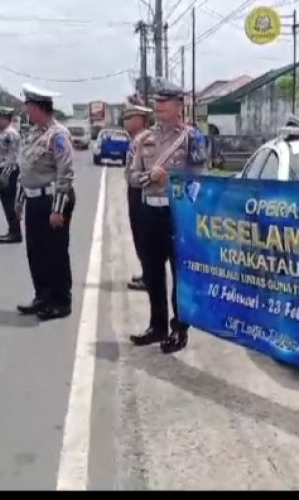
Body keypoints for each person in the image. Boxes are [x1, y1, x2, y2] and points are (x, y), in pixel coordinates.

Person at [128, 80, 207, 354]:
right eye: (157, 102)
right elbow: (131, 177)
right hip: (149, 211)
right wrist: (148, 176)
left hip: (177, 214)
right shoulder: (143, 139)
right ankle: (157, 325)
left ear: (179, 105)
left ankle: (179, 328)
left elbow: (200, 180)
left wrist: (177, 182)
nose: (159, 107)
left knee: (179, 273)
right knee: (152, 272)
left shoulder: (192, 138)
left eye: (165, 102)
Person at [15, 83, 75, 321]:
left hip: (52, 200)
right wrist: (20, 201)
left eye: (28, 105)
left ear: (38, 107)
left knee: (55, 253)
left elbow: (66, 173)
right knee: (36, 252)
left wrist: (58, 209)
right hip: (34, 200)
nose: (26, 110)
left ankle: (61, 301)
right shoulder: (33, 134)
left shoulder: (58, 135)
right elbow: (25, 169)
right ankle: (42, 296)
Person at [122, 104, 153, 292]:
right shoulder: (135, 139)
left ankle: (149, 276)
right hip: (134, 189)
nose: (125, 121)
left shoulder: (144, 139)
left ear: (140, 119)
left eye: (129, 117)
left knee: (143, 235)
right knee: (138, 234)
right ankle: (146, 272)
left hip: (142, 191)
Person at [0, 104, 22, 244]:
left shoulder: (11, 134)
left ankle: (16, 233)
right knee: (5, 203)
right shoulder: (1, 133)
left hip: (8, 171)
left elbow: (12, 157)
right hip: (0, 169)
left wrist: (4, 175)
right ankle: (12, 230)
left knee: (10, 203)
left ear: (7, 119)